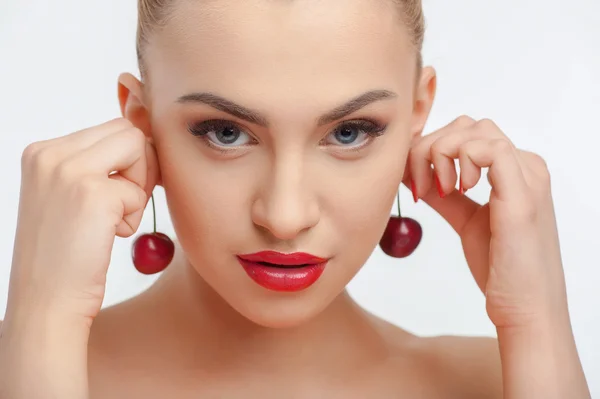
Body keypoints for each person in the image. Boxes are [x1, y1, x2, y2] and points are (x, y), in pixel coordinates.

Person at [0, 0, 592, 397]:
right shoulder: (27, 367)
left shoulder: (501, 383)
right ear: (141, 119)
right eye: (225, 133)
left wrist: (537, 323)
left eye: (349, 132)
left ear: (417, 114)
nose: (285, 217)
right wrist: (39, 325)